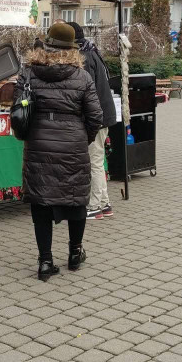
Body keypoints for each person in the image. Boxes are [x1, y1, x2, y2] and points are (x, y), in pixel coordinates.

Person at [22, 22, 103, 281]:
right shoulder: (82, 77)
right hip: (73, 145)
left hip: (38, 144)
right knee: (76, 199)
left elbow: (18, 110)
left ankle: (45, 261)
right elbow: (95, 117)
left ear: (46, 45)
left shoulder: (29, 74)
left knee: (41, 202)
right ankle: (75, 254)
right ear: (73, 49)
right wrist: (82, 139)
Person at [66, 22, 118, 219]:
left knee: (94, 162)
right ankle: (104, 204)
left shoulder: (84, 57)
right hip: (102, 115)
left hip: (96, 117)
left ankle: (94, 205)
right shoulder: (91, 50)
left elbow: (86, 91)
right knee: (96, 160)